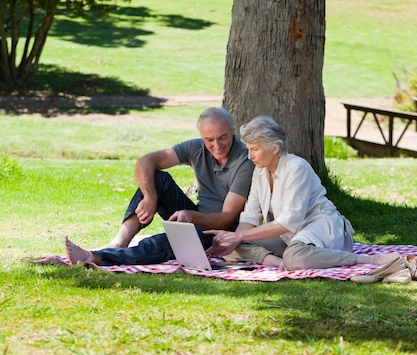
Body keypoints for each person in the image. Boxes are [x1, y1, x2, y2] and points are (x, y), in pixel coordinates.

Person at [205, 115, 405, 277]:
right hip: (289, 238)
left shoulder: (297, 167)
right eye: (248, 149)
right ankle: (278, 262)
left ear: (274, 148)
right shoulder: (260, 171)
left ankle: (368, 260)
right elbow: (250, 216)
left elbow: (289, 221)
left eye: (255, 149)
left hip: (319, 225)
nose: (250, 156)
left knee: (293, 256)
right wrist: (234, 238)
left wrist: (239, 235)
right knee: (231, 248)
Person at [63, 107, 254, 267]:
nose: (216, 145)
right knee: (156, 179)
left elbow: (226, 219)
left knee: (170, 240)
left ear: (233, 132)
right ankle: (119, 242)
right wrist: (150, 197)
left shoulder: (245, 161)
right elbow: (146, 161)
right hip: (197, 216)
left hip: (221, 232)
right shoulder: (197, 148)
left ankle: (96, 258)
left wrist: (191, 217)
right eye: (209, 140)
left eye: (222, 138)